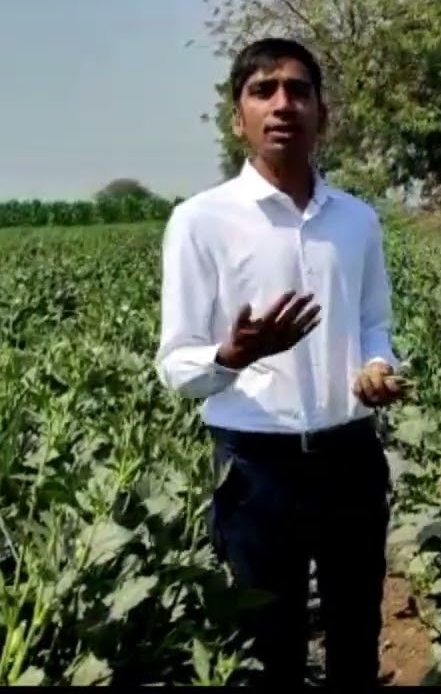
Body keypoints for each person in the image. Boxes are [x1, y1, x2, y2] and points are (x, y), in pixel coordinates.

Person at [154, 37, 409, 686]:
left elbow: (374, 321)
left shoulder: (357, 220)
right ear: (236, 115)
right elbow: (177, 366)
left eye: (298, 89)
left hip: (351, 454)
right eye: (262, 90)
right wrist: (232, 354)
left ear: (323, 111)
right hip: (253, 465)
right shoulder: (199, 222)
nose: (282, 104)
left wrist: (378, 366)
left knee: (356, 632)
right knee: (269, 647)